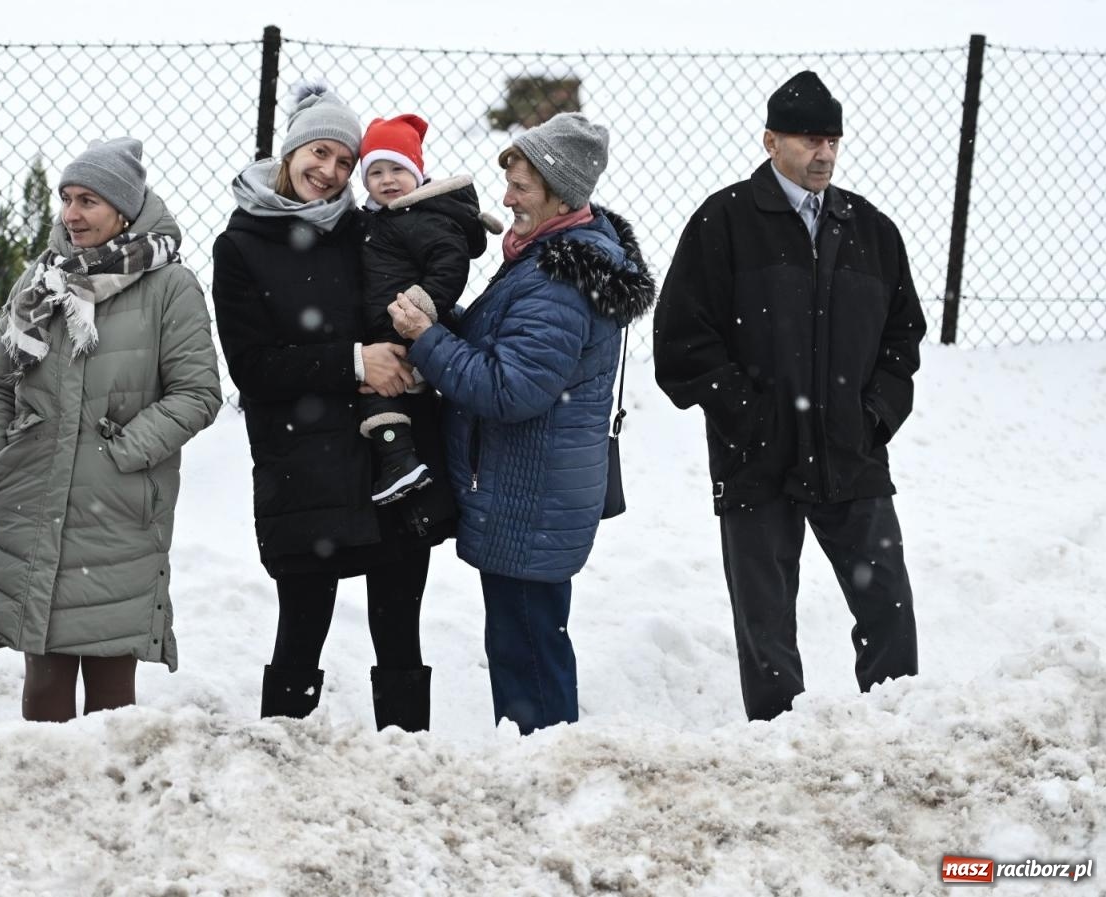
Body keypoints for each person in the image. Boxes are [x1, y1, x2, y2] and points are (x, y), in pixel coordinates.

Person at [652, 71, 927, 722]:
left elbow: (902, 338)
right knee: (766, 628)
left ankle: (898, 734)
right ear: (772, 140)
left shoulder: (871, 231)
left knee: (888, 606)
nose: (824, 153)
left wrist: (874, 416)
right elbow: (682, 343)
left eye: (832, 139)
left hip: (850, 456)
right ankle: (779, 751)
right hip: (758, 462)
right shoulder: (722, 224)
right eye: (809, 139)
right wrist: (749, 417)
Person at [389, 112, 655, 734]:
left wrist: (426, 338)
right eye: (508, 183)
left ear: (562, 193)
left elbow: (512, 388)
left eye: (522, 188)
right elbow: (510, 346)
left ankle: (545, 773)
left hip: (528, 494)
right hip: (531, 488)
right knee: (528, 642)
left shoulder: (560, 278)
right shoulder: (553, 255)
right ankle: (540, 762)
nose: (506, 199)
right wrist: (448, 319)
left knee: (528, 653)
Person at [212, 82, 456, 732]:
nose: (330, 171)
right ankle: (276, 762)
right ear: (291, 151)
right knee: (302, 623)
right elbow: (253, 367)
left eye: (345, 162)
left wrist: (415, 359)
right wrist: (354, 363)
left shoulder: (365, 230)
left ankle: (406, 764)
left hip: (390, 455)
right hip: (304, 462)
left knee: (399, 626)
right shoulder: (241, 245)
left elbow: (428, 277)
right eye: (320, 153)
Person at [0, 137, 221, 722]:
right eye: (66, 199)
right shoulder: (41, 280)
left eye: (89, 202)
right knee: (44, 680)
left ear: (124, 211)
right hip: (33, 495)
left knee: (111, 693)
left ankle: (111, 810)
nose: (71, 215)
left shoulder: (169, 287)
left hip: (118, 507)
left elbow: (198, 393)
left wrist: (122, 452)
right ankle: (42, 804)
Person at [356, 112, 501, 504]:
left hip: (403, 324)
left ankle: (400, 463)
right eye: (376, 172)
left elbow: (451, 265)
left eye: (397, 169)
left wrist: (421, 307)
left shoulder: (420, 218)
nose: (386, 180)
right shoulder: (380, 219)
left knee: (375, 391)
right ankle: (400, 462)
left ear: (417, 172)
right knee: (377, 390)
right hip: (386, 323)